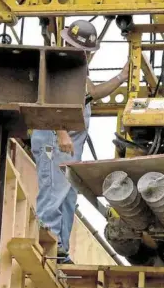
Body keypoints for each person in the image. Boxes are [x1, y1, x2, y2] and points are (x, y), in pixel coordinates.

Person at [31, 20, 129, 263]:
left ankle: (60, 250)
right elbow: (48, 101)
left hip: (68, 147)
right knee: (53, 193)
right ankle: (48, 248)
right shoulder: (60, 65)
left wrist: (121, 76)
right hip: (55, 142)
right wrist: (62, 132)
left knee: (67, 199)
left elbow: (92, 93)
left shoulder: (78, 68)